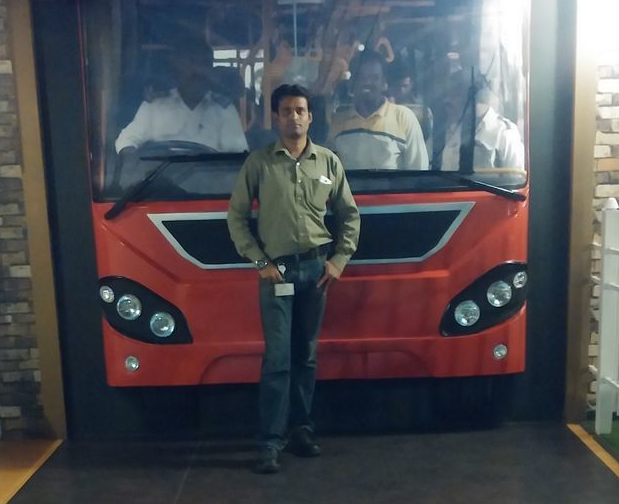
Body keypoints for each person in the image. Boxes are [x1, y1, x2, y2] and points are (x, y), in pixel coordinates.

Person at [227, 83, 360, 474]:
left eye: (301, 110)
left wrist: (338, 260)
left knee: (306, 356)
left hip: (317, 272)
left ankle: (301, 429)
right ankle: (270, 441)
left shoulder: (329, 163)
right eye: (286, 111)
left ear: (310, 116)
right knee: (278, 360)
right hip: (277, 274)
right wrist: (258, 261)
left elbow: (349, 216)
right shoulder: (259, 163)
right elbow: (236, 218)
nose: (294, 117)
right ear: (276, 118)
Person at [114, 41, 248, 166]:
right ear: (176, 67)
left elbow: (237, 158)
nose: (198, 71)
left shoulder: (224, 110)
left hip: (212, 187)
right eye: (191, 62)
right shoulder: (154, 106)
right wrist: (135, 164)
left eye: (204, 64)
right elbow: (126, 141)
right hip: (160, 186)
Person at [327, 50, 429, 171]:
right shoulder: (337, 121)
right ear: (351, 83)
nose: (367, 83)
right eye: (361, 77)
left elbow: (418, 171)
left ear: (384, 83)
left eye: (374, 78)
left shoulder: (404, 118)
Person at [432, 69, 525, 175]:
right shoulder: (450, 130)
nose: (446, 100)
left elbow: (515, 183)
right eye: (447, 94)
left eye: (455, 94)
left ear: (474, 97)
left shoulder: (504, 134)